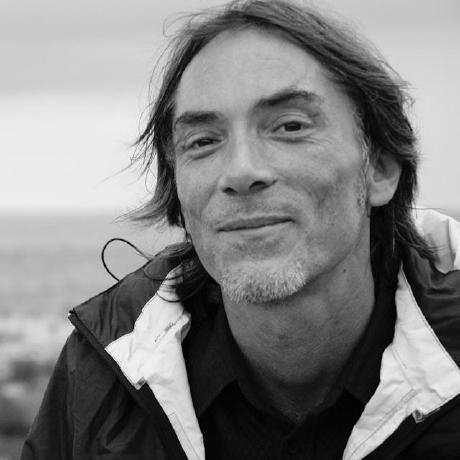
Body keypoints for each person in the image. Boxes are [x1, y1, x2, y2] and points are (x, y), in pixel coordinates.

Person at [21, 1, 460, 459]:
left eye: (289, 126)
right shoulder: (102, 379)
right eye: (203, 141)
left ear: (381, 168)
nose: (241, 171)